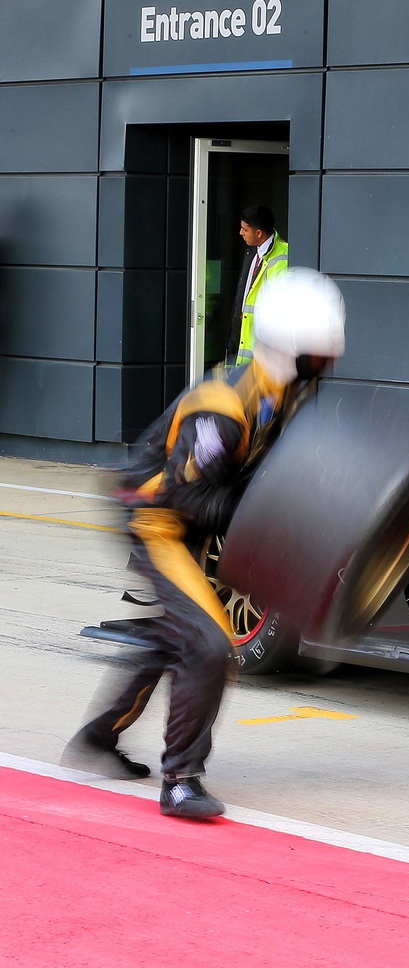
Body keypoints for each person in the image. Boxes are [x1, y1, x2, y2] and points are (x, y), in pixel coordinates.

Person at [64, 268, 346, 819]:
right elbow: (188, 497)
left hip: (187, 521)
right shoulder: (223, 408)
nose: (327, 366)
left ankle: (98, 738)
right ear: (294, 348)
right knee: (211, 644)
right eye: (320, 354)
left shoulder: (284, 392)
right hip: (157, 519)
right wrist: (267, 515)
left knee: (177, 639)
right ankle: (181, 780)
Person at [226, 204, 290, 366]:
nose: (240, 233)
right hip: (242, 348)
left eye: (245, 229)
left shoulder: (282, 256)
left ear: (259, 233)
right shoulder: (252, 252)